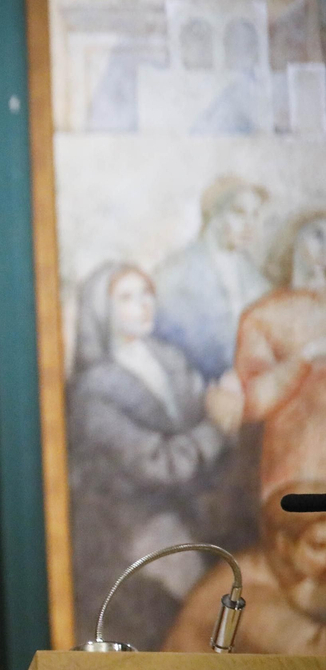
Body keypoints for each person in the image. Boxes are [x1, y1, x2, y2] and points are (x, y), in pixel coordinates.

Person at [67, 262, 244, 649]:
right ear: (102, 311)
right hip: (134, 527)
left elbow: (210, 407)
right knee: (198, 605)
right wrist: (217, 426)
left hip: (196, 511)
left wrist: (228, 404)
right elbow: (158, 464)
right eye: (127, 298)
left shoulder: (169, 360)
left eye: (146, 294)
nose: (143, 305)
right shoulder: (94, 391)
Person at [163, 491, 326, 654]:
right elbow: (311, 649)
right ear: (284, 545)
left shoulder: (284, 573)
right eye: (319, 545)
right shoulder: (245, 591)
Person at [234, 211, 326, 499]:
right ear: (293, 242)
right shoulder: (262, 315)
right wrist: (306, 357)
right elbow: (253, 401)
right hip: (297, 463)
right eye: (318, 235)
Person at [152, 176, 271, 382]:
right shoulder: (176, 271)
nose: (250, 224)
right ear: (213, 213)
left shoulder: (255, 278)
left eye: (255, 215)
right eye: (239, 213)